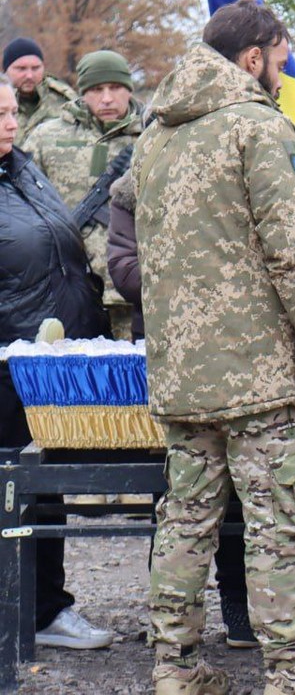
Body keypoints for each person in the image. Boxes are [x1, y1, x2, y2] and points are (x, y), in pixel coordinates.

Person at [135, 0, 295, 695]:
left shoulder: (155, 136)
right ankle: (294, 674)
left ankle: (173, 670)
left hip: (181, 370)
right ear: (253, 56)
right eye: (282, 57)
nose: (286, 71)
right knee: (280, 525)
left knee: (185, 522)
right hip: (258, 370)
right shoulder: (258, 129)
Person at [106, 168, 259, 651]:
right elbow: (125, 271)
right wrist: (205, 268)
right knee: (178, 491)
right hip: (170, 351)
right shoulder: (131, 192)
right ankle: (171, 625)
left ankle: (238, 602)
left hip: (239, 349)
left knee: (238, 486)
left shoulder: (231, 176)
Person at [0, 74, 113, 651]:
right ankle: (22, 614)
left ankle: (47, 609)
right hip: (7, 366)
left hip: (46, 364)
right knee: (13, 490)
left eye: (9, 113)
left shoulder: (21, 168)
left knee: (44, 492)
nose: (10, 123)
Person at [24, 50, 144, 340]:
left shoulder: (152, 136)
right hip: (70, 291)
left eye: (115, 88)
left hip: (137, 291)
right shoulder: (45, 138)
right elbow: (20, 206)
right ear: (81, 92)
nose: (106, 98)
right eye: (95, 90)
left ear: (128, 89)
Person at [3, 37, 76, 146]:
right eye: (21, 69)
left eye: (35, 68)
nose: (29, 75)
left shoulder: (65, 100)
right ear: (5, 71)